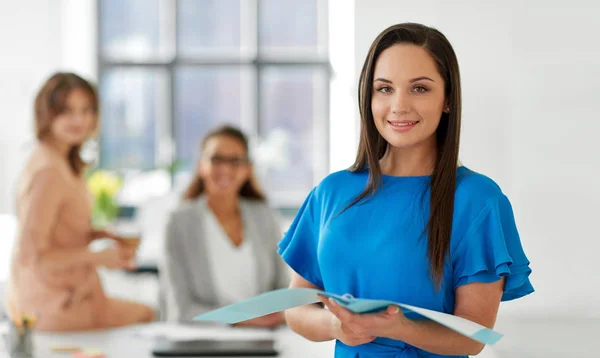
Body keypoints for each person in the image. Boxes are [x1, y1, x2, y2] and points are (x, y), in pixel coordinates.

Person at [278, 23, 534, 357]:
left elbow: (474, 335)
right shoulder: (330, 193)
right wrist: (337, 327)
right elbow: (295, 308)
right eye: (384, 89)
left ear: (447, 100)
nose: (399, 106)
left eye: (419, 89)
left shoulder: (477, 199)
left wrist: (400, 328)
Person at [4, 72, 155, 331]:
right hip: (54, 303)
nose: (79, 120)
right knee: (148, 314)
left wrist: (97, 234)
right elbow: (32, 255)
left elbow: (54, 232)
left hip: (61, 295)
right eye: (67, 111)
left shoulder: (59, 160)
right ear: (46, 113)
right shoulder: (49, 171)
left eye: (87, 110)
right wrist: (98, 257)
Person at [161, 125, 288, 326]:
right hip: (203, 342)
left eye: (235, 161)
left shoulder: (264, 216)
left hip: (263, 342)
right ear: (201, 166)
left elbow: (283, 290)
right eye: (216, 159)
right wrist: (241, 320)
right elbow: (180, 309)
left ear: (248, 168)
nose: (225, 169)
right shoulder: (179, 223)